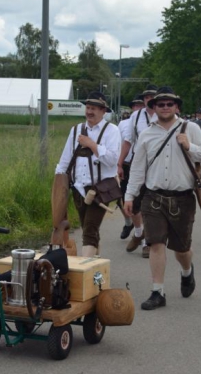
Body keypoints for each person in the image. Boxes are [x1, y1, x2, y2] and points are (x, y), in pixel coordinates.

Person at [123, 87, 201, 310]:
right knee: (155, 243)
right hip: (153, 197)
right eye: (160, 104)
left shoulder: (190, 128)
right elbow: (137, 168)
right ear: (154, 108)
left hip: (182, 198)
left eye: (169, 104)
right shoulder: (147, 134)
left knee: (182, 250)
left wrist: (189, 146)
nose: (164, 108)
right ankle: (157, 292)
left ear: (176, 107)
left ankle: (187, 271)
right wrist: (130, 196)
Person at [55, 91, 122, 256]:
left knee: (89, 231)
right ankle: (96, 266)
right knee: (88, 229)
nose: (89, 111)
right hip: (78, 189)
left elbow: (112, 160)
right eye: (88, 108)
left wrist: (92, 144)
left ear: (103, 111)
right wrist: (58, 184)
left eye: (94, 108)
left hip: (100, 191)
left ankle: (84, 267)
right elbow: (65, 159)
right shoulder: (76, 130)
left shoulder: (112, 131)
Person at [118, 85, 158, 258]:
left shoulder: (164, 115)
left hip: (158, 163)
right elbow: (128, 141)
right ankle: (138, 232)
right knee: (134, 202)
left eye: (152, 97)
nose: (149, 100)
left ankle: (147, 242)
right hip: (138, 161)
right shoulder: (136, 116)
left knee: (152, 204)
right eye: (146, 97)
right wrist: (120, 163)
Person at [116, 95, 145, 239]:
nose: (137, 108)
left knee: (141, 199)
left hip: (143, 164)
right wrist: (119, 163)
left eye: (140, 105)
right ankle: (128, 223)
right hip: (127, 163)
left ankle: (142, 233)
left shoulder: (149, 120)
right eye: (135, 105)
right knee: (122, 197)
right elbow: (121, 142)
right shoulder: (123, 123)